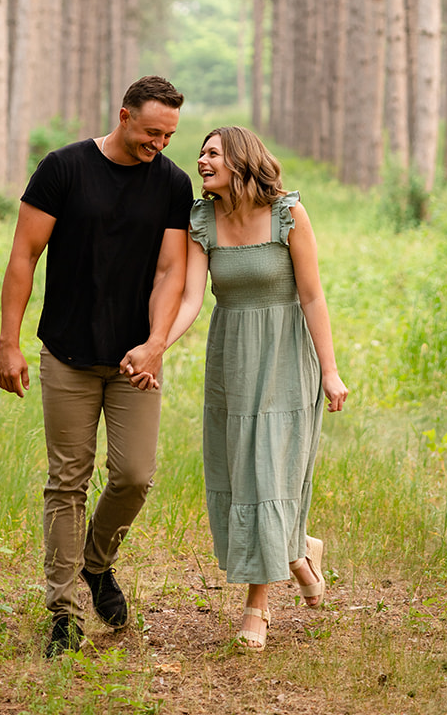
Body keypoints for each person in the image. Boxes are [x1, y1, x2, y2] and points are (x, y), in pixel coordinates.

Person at [0, 75, 193, 658]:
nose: (158, 143)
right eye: (151, 131)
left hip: (135, 360)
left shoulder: (172, 183)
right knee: (68, 481)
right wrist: (9, 343)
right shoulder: (64, 168)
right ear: (125, 115)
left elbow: (170, 272)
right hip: (68, 352)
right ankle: (63, 612)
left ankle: (96, 564)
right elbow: (24, 255)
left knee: (134, 476)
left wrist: (156, 343)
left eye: (169, 135)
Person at [157, 125, 348, 651]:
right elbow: (193, 298)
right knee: (243, 476)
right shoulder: (202, 220)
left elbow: (312, 297)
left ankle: (256, 609)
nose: (201, 159)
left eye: (212, 152)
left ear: (240, 160)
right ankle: (299, 551)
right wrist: (157, 347)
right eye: (200, 152)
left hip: (286, 357)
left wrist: (330, 370)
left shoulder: (289, 214)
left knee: (266, 474)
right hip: (233, 359)